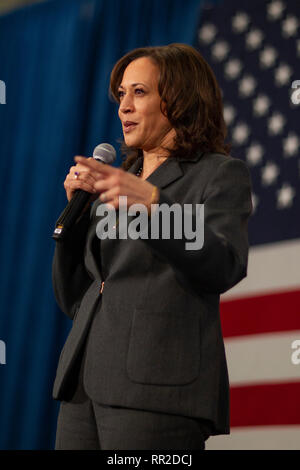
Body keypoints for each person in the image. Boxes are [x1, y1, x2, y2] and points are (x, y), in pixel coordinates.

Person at [52, 43, 252, 450]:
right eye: (121, 95)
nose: (124, 106)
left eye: (139, 92)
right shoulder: (120, 178)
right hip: (83, 384)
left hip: (157, 388)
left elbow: (223, 264)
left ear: (178, 100)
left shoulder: (218, 175)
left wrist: (156, 206)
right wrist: (73, 222)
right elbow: (80, 295)